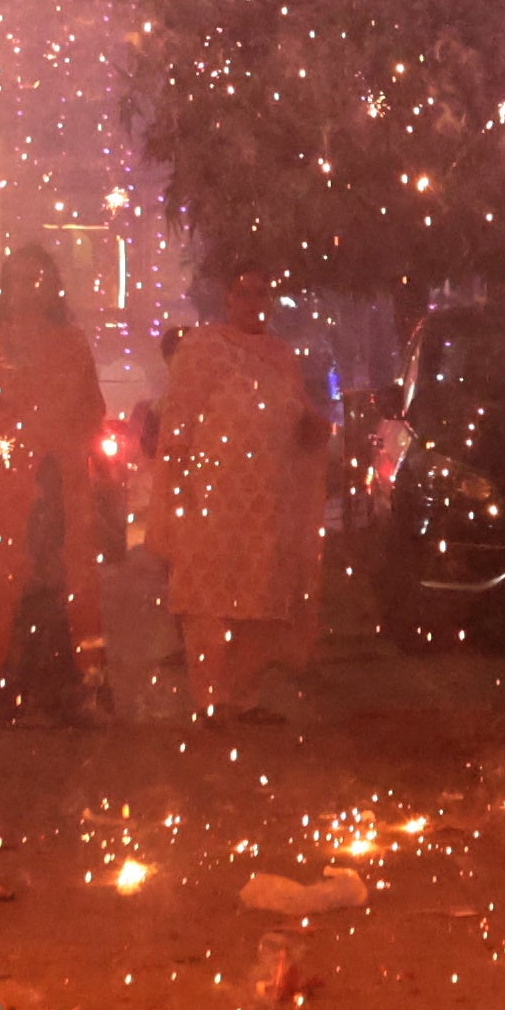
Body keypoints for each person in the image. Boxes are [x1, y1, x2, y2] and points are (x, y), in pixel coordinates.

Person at [152, 263, 329, 718]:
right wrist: (176, 479)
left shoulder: (280, 355)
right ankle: (211, 699)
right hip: (212, 493)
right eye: (243, 293)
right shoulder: (205, 348)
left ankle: (244, 696)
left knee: (261, 598)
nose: (252, 303)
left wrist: (313, 428)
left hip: (269, 498)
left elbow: (302, 419)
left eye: (261, 293)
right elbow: (180, 417)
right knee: (210, 597)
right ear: (227, 300)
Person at [0, 238, 108, 724]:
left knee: (60, 586)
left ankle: (63, 690)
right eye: (19, 279)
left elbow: (91, 410)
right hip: (6, 487)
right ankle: (3, 686)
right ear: (6, 287)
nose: (28, 289)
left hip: (58, 484)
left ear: (52, 287)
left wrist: (60, 444)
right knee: (5, 586)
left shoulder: (71, 344)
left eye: (37, 279)